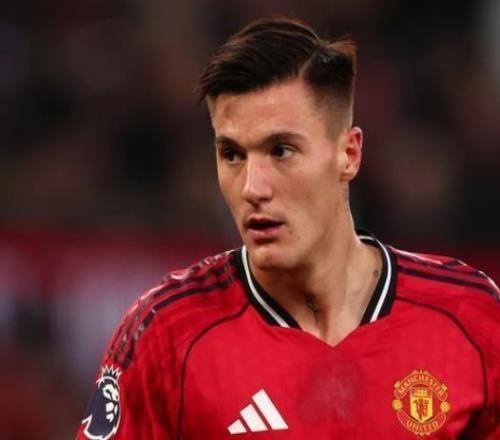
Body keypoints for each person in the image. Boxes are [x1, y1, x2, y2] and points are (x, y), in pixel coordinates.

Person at [76, 17, 499, 440]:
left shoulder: (470, 318)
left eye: (281, 151)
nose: (252, 188)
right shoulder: (167, 335)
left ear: (348, 154)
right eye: (232, 154)